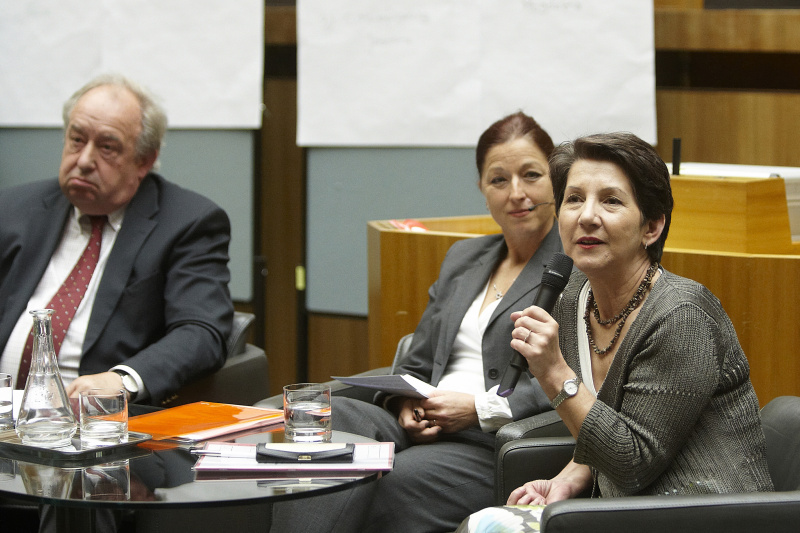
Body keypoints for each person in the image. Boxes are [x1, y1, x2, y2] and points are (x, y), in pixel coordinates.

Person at [457, 132, 773, 532]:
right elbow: (611, 423)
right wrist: (567, 478)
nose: (587, 216)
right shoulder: (573, 297)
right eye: (574, 199)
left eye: (611, 201)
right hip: (625, 512)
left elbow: (631, 464)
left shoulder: (682, 317)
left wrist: (554, 371)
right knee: (483, 524)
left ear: (652, 227)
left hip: (706, 517)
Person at [269, 111, 564, 533]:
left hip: (491, 440)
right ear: (483, 191)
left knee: (391, 480)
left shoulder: (572, 267)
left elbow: (578, 378)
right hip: (423, 421)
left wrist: (476, 409)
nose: (516, 193)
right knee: (315, 424)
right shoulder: (464, 258)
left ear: (555, 181)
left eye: (531, 175)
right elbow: (417, 362)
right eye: (499, 180)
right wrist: (402, 404)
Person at [0, 74, 233, 406]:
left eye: (107, 147)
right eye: (77, 140)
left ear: (144, 161)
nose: (84, 161)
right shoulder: (14, 209)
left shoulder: (188, 223)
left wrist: (122, 380)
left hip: (95, 419)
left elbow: (201, 332)